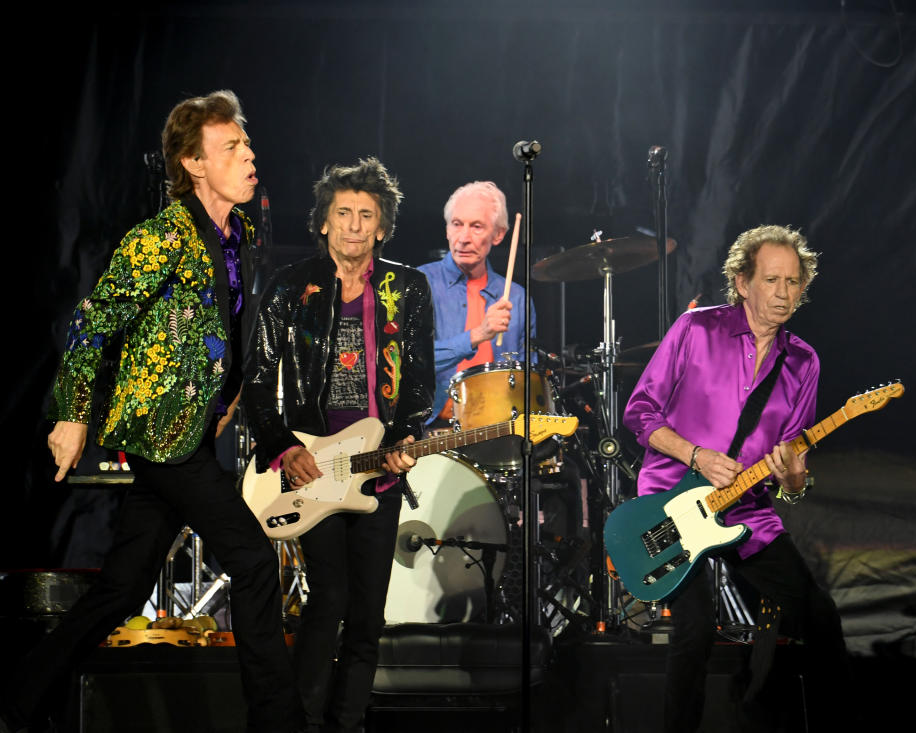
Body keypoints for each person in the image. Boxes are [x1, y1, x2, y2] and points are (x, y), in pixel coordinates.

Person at [17, 90, 304, 732]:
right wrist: (73, 414)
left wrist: (227, 396)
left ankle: (18, 697)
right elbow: (95, 324)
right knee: (255, 563)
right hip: (159, 433)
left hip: (198, 434)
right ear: (193, 163)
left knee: (121, 588)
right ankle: (278, 723)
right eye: (231, 147)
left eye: (247, 143)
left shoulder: (243, 234)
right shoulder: (157, 237)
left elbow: (228, 324)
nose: (249, 154)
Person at [622, 225, 850, 732]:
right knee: (695, 630)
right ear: (743, 282)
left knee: (820, 616)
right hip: (673, 502)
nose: (785, 293)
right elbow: (638, 413)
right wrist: (695, 455)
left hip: (747, 510)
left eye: (794, 282)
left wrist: (793, 479)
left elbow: (792, 469)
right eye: (772, 280)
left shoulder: (803, 361)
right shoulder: (696, 330)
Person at [242, 157, 434, 733]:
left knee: (368, 613)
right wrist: (282, 446)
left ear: (382, 227)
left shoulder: (409, 287)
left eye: (366, 215)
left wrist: (408, 438)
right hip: (312, 465)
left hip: (377, 469)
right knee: (329, 599)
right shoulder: (289, 287)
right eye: (342, 213)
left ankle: (347, 723)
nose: (353, 225)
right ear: (323, 223)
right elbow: (256, 379)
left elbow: (422, 381)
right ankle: (300, 721)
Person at [417, 180, 536, 428]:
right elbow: (410, 361)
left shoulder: (517, 297)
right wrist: (479, 334)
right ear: (447, 230)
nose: (464, 238)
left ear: (499, 234)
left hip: (500, 427)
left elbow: (529, 376)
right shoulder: (419, 283)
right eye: (457, 224)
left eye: (477, 227)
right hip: (436, 429)